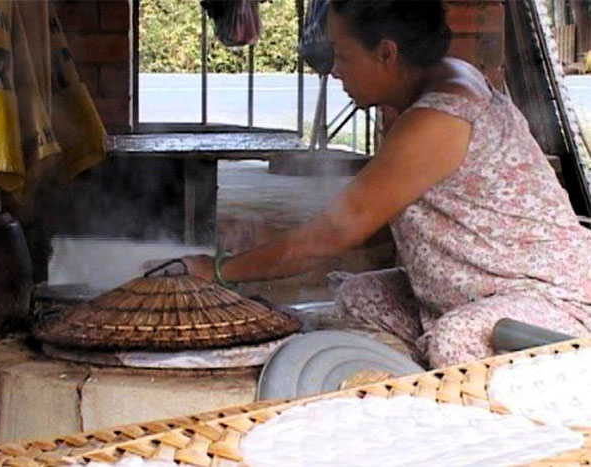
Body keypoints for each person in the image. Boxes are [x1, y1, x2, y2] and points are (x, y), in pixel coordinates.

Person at [182, 0, 591, 368]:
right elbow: (365, 218)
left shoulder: (437, 119)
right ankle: (424, 372)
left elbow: (333, 233)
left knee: (458, 340)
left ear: (387, 54)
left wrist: (221, 270)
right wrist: (267, 239)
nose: (335, 69)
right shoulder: (443, 79)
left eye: (342, 56)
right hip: (479, 290)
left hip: (552, 301)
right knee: (358, 297)